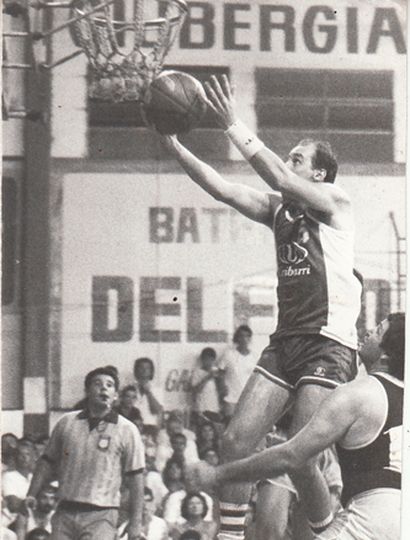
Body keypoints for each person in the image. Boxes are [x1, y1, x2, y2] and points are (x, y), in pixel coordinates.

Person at [160, 74, 362, 538]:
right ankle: (230, 535)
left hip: (328, 345)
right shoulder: (281, 210)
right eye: (288, 157)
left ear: (318, 174)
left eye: (298, 159)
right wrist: (174, 146)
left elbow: (277, 175)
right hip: (286, 342)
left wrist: (233, 125)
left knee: (302, 455)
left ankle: (327, 529)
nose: (288, 163)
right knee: (235, 441)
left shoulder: (336, 203)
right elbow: (222, 189)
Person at [186, 313, 404, 540]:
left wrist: (217, 474)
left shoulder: (358, 393)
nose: (368, 332)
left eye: (377, 330)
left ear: (386, 355)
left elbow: (291, 457)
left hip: (372, 518)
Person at [24, 366, 145, 540]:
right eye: (98, 383)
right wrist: (32, 493)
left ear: (115, 395)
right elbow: (47, 461)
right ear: (87, 391)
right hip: (65, 510)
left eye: (110, 385)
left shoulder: (127, 429)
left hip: (101, 513)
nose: (104, 388)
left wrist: (135, 522)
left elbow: (136, 478)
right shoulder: (66, 422)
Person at [218, 326, 258, 421]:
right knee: (229, 425)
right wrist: (222, 387)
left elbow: (257, 377)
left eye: (247, 336)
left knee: (246, 425)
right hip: (230, 398)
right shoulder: (228, 354)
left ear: (250, 338)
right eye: (241, 336)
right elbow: (220, 373)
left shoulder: (254, 357)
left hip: (248, 399)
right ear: (237, 338)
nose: (244, 339)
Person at [191, 348, 224, 425]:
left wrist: (220, 379)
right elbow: (195, 390)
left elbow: (223, 390)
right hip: (202, 409)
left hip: (215, 409)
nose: (208, 362)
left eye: (210, 359)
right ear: (202, 360)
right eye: (206, 359)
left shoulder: (217, 371)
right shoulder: (197, 372)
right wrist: (208, 377)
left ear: (214, 360)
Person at [133, 357, 163, 436]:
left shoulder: (157, 389)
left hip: (150, 427)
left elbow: (156, 411)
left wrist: (148, 392)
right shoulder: (130, 388)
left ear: (151, 371)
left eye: (147, 368)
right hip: (132, 426)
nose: (144, 370)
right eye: (141, 367)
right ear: (136, 370)